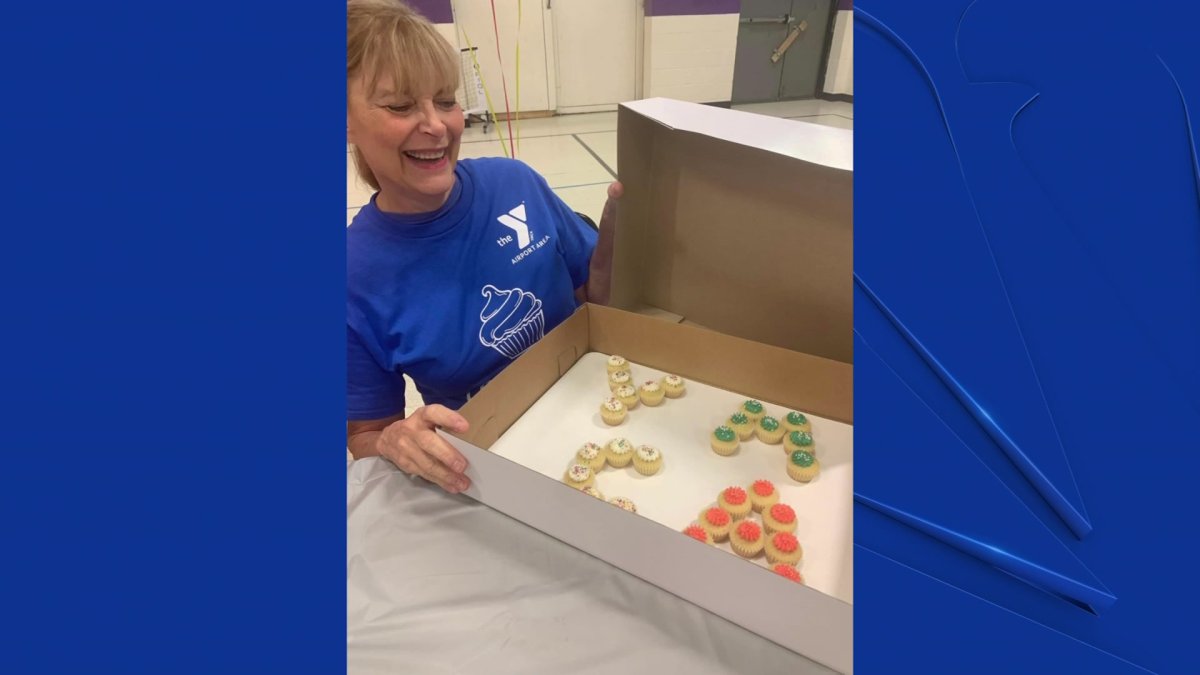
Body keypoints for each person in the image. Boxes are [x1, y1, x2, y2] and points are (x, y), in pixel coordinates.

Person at [345, 0, 621, 494]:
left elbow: (594, 299)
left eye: (446, 100)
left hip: (601, 420)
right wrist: (394, 442)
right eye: (401, 106)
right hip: (491, 473)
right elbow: (367, 433)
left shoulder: (514, 183)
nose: (437, 125)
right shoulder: (351, 276)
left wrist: (623, 246)